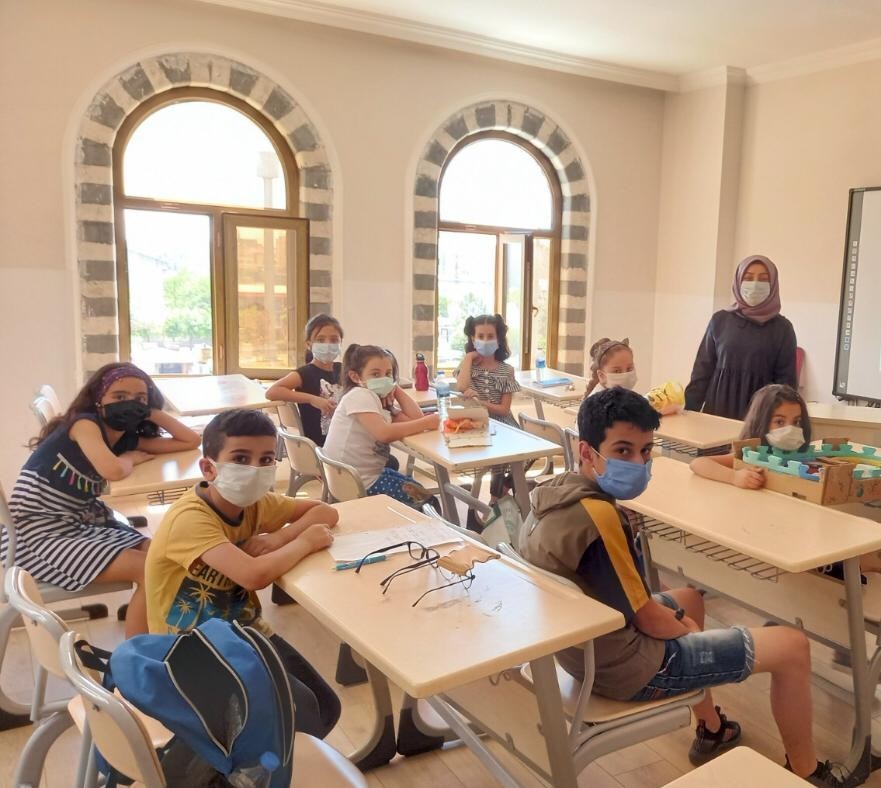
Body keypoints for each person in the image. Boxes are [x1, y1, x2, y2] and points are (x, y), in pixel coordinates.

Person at [519, 387, 848, 785]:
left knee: (689, 598)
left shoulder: (550, 496)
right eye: (623, 451)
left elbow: (635, 603)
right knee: (792, 646)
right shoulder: (598, 517)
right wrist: (686, 630)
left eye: (645, 450)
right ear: (587, 451)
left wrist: (680, 619)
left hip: (581, 651)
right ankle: (807, 772)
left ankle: (712, 729)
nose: (639, 462)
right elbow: (648, 619)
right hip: (627, 667)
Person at [144, 408, 342, 738]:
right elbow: (253, 576)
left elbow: (325, 512)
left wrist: (279, 538)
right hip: (190, 651)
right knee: (301, 715)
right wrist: (304, 541)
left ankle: (271, 757)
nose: (254, 469)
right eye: (240, 458)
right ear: (209, 468)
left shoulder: (255, 504)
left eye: (266, 459)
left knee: (323, 707)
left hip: (243, 632)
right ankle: (249, 760)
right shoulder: (190, 519)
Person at [5, 362, 200, 637]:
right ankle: (138, 654)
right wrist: (129, 459)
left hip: (77, 521)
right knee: (151, 569)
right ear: (98, 398)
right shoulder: (85, 424)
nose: (129, 404)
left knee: (161, 554)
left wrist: (153, 413)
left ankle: (163, 629)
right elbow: (114, 471)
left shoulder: (123, 436)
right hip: (38, 534)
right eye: (119, 396)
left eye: (139, 399)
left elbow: (190, 440)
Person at [691, 383, 881, 577]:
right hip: (777, 541)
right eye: (780, 422)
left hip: (803, 533)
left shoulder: (803, 457)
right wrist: (734, 477)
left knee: (865, 551)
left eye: (796, 422)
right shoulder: (752, 456)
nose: (790, 429)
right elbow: (698, 463)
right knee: (863, 558)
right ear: (761, 422)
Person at [323, 344, 439, 509]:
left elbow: (415, 418)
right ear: (356, 377)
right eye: (376, 374)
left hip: (355, 478)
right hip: (359, 483)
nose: (384, 379)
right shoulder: (359, 395)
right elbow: (383, 433)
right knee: (427, 501)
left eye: (388, 374)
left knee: (417, 488)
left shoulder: (375, 397)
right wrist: (427, 422)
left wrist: (395, 389)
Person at [685, 255, 798, 420]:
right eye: (749, 278)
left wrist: (780, 422)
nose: (755, 284)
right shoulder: (720, 320)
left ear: (773, 284)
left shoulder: (783, 329)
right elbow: (702, 371)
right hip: (717, 411)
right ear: (738, 281)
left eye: (763, 279)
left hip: (759, 416)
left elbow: (786, 385)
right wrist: (689, 410)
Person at [455, 314, 522, 506]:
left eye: (490, 336)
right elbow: (462, 386)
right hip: (476, 422)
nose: (485, 340)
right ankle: (496, 496)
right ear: (473, 338)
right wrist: (469, 357)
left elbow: (504, 409)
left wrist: (480, 401)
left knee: (521, 451)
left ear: (499, 338)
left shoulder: (506, 370)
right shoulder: (468, 366)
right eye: (480, 336)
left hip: (502, 423)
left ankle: (498, 493)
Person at [266, 313, 344, 447]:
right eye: (320, 340)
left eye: (334, 340)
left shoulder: (343, 369)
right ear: (309, 344)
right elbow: (272, 392)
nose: (328, 344)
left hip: (342, 438)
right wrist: (312, 399)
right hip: (321, 445)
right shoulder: (305, 373)